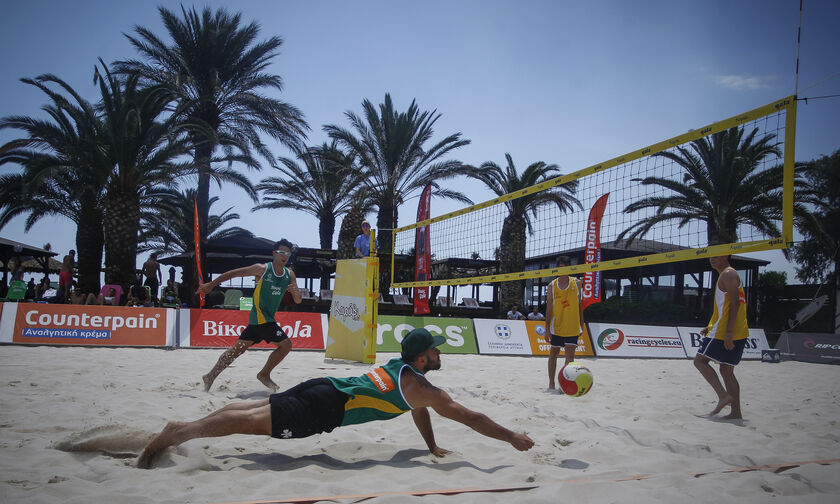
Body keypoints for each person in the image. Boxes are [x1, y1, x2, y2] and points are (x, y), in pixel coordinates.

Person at [137, 328, 535, 469]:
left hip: (325, 386)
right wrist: (511, 437)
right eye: (435, 351)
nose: (440, 354)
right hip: (325, 408)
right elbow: (472, 419)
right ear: (420, 358)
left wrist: (430, 445)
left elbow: (420, 409)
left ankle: (187, 428)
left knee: (249, 410)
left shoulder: (402, 369)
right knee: (249, 423)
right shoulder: (426, 389)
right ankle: (179, 432)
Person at [197, 239, 303, 392]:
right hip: (261, 318)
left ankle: (210, 376)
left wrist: (295, 292)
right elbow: (234, 273)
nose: (284, 256)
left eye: (287, 253)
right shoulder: (262, 269)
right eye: (281, 252)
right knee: (286, 345)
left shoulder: (289, 274)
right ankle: (264, 374)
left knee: (236, 350)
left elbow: (298, 300)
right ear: (274, 253)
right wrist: (211, 285)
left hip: (260, 321)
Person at [695, 255, 749, 420]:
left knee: (699, 361)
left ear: (725, 255)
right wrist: (710, 326)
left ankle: (723, 396)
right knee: (727, 370)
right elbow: (725, 307)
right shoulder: (728, 274)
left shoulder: (728, 274)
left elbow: (735, 304)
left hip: (726, 331)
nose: (712, 258)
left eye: (716, 255)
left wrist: (728, 333)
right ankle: (736, 413)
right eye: (711, 255)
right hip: (737, 330)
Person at [544, 256, 584, 391]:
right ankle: (551, 384)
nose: (563, 270)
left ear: (569, 268)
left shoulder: (577, 283)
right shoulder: (552, 285)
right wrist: (547, 329)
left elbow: (580, 305)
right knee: (553, 354)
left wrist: (581, 324)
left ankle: (564, 385)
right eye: (560, 267)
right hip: (557, 326)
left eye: (565, 267)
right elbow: (549, 309)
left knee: (570, 356)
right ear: (557, 269)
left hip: (572, 325)